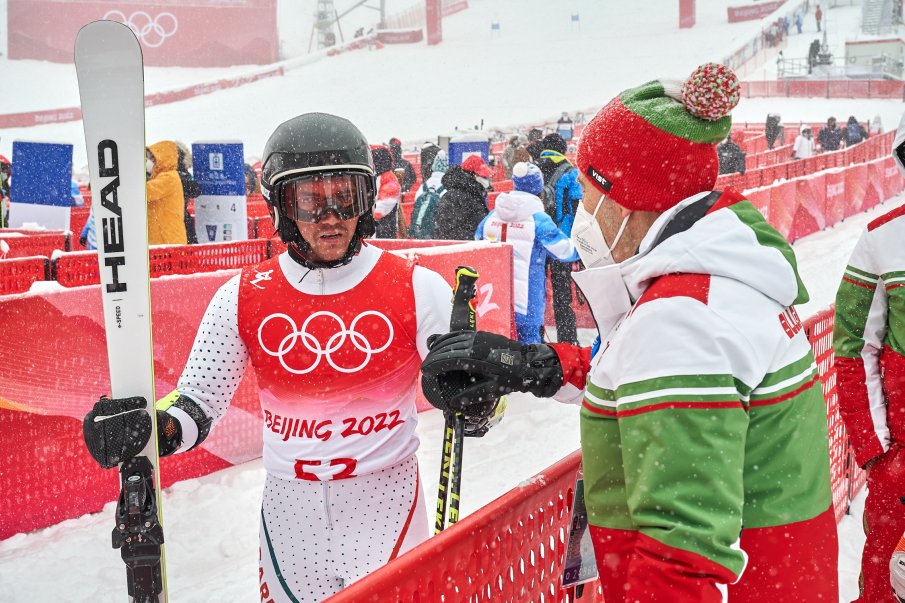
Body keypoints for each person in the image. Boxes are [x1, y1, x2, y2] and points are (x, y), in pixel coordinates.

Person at [421, 63, 838, 602]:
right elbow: (637, 371)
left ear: (629, 201)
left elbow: (682, 557)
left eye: (591, 199)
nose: (583, 217)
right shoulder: (709, 282)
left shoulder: (683, 317)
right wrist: (526, 365)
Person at [81, 112, 454, 603]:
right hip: (290, 514)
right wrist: (156, 430)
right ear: (281, 207)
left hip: (385, 503)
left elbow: (471, 398)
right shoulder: (242, 295)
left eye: (346, 196)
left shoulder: (418, 286)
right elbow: (197, 403)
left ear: (366, 202)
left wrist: (477, 398)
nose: (331, 216)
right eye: (310, 200)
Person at [834, 112, 905, 603]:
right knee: (884, 583)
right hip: (900, 463)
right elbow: (852, 346)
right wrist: (878, 449)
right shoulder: (882, 239)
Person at [476, 161, 577, 344]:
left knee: (497, 347)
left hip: (494, 299)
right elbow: (564, 251)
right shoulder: (538, 219)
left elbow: (476, 242)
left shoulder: (492, 216)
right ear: (539, 189)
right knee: (529, 352)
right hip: (527, 300)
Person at [536, 133, 583, 345]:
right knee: (562, 295)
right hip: (560, 240)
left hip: (536, 238)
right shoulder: (570, 173)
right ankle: (567, 342)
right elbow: (577, 208)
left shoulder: (534, 170)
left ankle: (534, 339)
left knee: (535, 292)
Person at [434, 155, 491, 240]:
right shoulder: (464, 198)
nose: (487, 180)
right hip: (462, 249)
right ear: (473, 176)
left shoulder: (471, 194)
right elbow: (450, 232)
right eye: (484, 177)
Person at [146, 141, 188, 245]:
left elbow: (147, 192)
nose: (149, 160)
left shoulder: (169, 178)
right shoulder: (160, 177)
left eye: (153, 157)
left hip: (167, 239)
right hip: (163, 239)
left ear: (162, 159)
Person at [408, 151, 447, 239]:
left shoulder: (424, 185)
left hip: (420, 231)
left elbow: (416, 203)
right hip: (436, 233)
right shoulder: (446, 187)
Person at [370, 144, 402, 238]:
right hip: (377, 231)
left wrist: (362, 218)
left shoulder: (388, 179)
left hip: (383, 231)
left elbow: (382, 207)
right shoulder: (375, 177)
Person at [175, 142, 201, 244]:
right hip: (181, 220)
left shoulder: (172, 175)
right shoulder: (181, 175)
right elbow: (196, 190)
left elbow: (195, 190)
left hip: (177, 221)